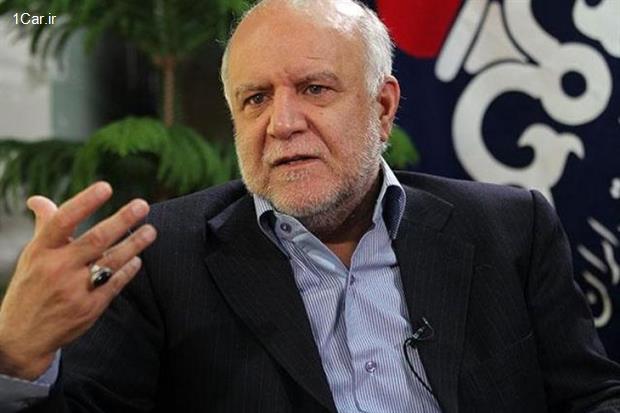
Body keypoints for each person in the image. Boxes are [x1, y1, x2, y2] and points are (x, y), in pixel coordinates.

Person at [1, 0, 619, 411]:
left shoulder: (509, 229)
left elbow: (589, 398)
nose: (282, 123)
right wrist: (17, 359)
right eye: (255, 99)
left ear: (382, 107)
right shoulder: (160, 258)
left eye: (314, 89)